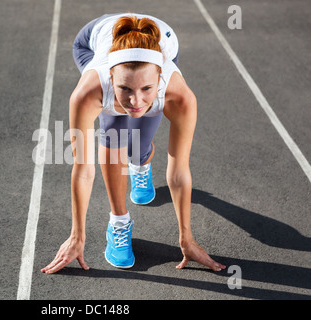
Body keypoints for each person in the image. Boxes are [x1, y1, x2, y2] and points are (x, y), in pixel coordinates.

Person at [41, 13, 226, 274]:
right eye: (125, 89)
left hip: (164, 43)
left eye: (146, 89)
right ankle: (118, 221)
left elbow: (179, 172)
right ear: (111, 76)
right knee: (114, 129)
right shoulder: (87, 93)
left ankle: (140, 163)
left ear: (160, 78)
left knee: (137, 147)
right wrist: (77, 236)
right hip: (90, 42)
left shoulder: (179, 97)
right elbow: (83, 170)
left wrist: (187, 238)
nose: (136, 101)